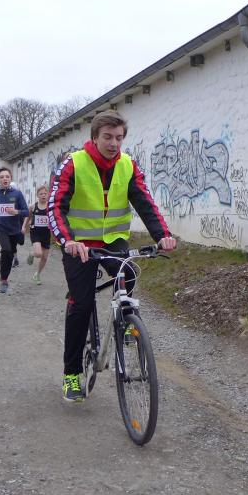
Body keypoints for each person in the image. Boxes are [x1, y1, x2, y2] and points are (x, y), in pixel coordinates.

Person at [49, 110, 177, 402]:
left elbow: (145, 202)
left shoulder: (128, 165)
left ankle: (126, 320)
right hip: (79, 244)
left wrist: (163, 236)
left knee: (129, 271)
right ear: (94, 137)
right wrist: (68, 240)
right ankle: (71, 374)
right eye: (108, 137)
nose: (114, 143)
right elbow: (56, 206)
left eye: (119, 138)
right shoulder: (73, 163)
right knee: (81, 304)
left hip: (113, 241)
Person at [0, 167, 29, 294]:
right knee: (6, 250)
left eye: (7, 177)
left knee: (11, 252)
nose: (5, 179)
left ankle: (6, 275)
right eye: (2, 177)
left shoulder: (17, 194)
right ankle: (4, 280)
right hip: (1, 229)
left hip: (14, 229)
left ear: (10, 179)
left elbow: (26, 211)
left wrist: (16, 212)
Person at [22, 185, 52, 285]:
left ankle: (37, 274)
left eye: (45, 193)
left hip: (46, 233)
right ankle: (32, 254)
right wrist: (24, 226)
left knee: (45, 257)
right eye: (41, 194)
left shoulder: (50, 207)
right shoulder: (33, 206)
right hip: (35, 232)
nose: (43, 195)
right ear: (37, 195)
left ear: (48, 195)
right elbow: (27, 217)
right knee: (39, 254)